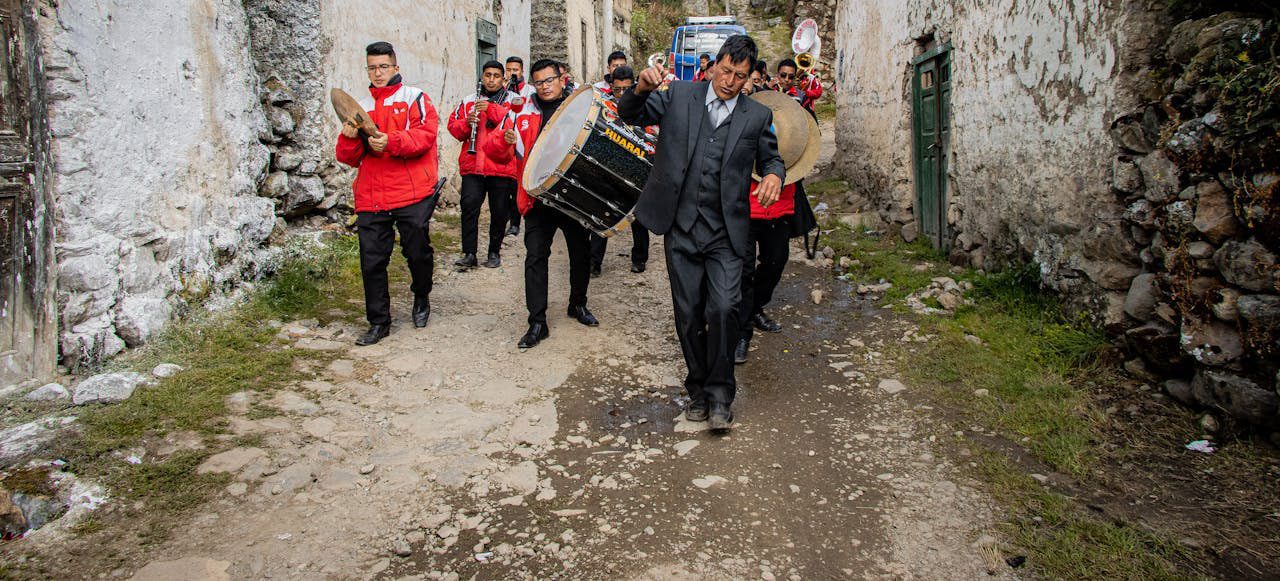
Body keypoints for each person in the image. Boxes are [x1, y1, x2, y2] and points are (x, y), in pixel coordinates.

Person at [619, 35, 785, 430]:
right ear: (713, 65)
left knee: (725, 308)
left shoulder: (756, 117)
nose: (730, 81)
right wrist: (641, 86)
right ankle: (697, 391)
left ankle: (720, 396)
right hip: (680, 226)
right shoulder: (677, 95)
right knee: (689, 312)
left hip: (727, 232)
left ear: (749, 79)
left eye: (740, 76)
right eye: (725, 71)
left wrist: (775, 174)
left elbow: (773, 157)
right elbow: (630, 114)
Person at [335, 41, 440, 346]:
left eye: (383, 67)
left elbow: (425, 135)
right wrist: (349, 139)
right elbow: (349, 158)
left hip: (412, 192)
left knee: (417, 252)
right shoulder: (360, 104)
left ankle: (422, 295)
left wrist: (392, 141)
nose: (378, 73)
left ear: (396, 67)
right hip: (372, 194)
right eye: (372, 67)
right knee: (372, 262)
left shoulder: (415, 98)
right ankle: (379, 322)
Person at [510, 59, 600, 349]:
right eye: (539, 82)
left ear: (562, 79)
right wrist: (505, 142)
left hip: (573, 196)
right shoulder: (524, 112)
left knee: (580, 253)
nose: (545, 86)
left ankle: (578, 304)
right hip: (538, 198)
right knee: (535, 257)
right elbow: (507, 154)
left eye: (550, 80)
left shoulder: (580, 107)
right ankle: (537, 322)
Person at [447, 60, 517, 270]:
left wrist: (492, 109)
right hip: (473, 165)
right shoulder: (469, 100)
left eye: (496, 76)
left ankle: (494, 252)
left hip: (500, 166)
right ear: (482, 76)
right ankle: (469, 253)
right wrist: (467, 123)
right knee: (469, 208)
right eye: (487, 75)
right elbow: (454, 128)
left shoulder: (513, 100)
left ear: (503, 78)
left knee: (499, 211)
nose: (491, 80)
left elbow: (513, 125)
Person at [589, 65, 651, 275]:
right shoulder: (604, 105)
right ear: (611, 88)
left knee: (639, 217)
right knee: (600, 211)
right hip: (608, 166)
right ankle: (594, 263)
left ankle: (640, 259)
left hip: (636, 168)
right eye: (617, 90)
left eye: (627, 89)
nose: (622, 94)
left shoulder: (646, 104)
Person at [734, 178, 796, 362]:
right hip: (743, 207)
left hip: (780, 205)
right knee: (743, 270)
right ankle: (741, 333)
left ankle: (753, 307)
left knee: (775, 262)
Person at [503, 56, 531, 237]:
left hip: (523, 141)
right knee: (506, 187)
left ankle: (516, 222)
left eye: (516, 70)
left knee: (518, 185)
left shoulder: (530, 91)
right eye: (509, 70)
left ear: (522, 71)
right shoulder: (503, 91)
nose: (512, 74)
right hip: (506, 142)